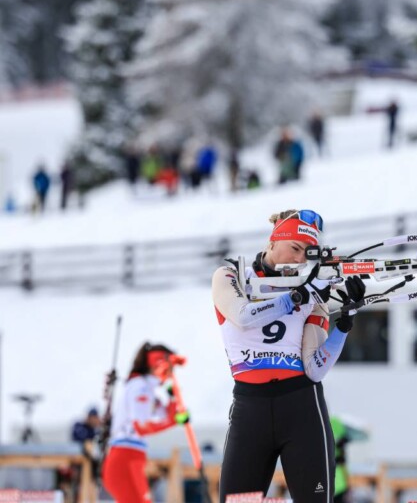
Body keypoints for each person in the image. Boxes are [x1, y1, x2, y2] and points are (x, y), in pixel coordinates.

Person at [212, 208, 367, 502]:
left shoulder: (313, 293)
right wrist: (298, 297)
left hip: (301, 406)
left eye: (307, 253)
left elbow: (315, 368)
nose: (299, 259)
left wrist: (344, 324)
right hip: (250, 407)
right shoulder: (231, 275)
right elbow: (242, 316)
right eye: (295, 248)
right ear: (272, 241)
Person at [102, 343, 189, 503]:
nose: (171, 373)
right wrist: (173, 421)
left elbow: (166, 414)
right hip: (124, 459)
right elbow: (142, 427)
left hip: (132, 457)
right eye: (169, 368)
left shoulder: (146, 389)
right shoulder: (140, 387)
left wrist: (173, 398)